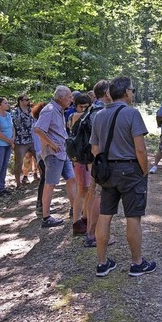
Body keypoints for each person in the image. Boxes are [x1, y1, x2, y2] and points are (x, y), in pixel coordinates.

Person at [90, 76, 156, 277]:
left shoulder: (99, 115)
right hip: (130, 170)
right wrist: (144, 170)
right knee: (133, 217)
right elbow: (141, 150)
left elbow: (94, 149)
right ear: (126, 92)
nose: (133, 93)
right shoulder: (132, 114)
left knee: (105, 215)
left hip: (107, 172)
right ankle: (137, 263)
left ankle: (102, 263)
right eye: (132, 90)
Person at [34, 86, 77, 228]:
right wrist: (52, 144)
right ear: (61, 98)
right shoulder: (50, 110)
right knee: (50, 183)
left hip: (63, 153)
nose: (71, 99)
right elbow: (38, 129)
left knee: (71, 179)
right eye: (69, 97)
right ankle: (46, 217)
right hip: (53, 154)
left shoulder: (58, 110)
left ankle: (74, 209)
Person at [83, 79, 112, 248]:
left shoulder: (92, 108)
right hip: (100, 161)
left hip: (93, 159)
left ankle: (90, 232)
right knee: (99, 196)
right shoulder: (101, 112)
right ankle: (92, 234)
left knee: (92, 194)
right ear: (107, 93)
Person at [68, 93, 92, 236]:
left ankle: (85, 217)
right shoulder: (77, 116)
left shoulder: (84, 116)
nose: (83, 109)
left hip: (85, 157)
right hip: (81, 158)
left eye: (85, 107)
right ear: (75, 106)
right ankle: (77, 222)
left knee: (88, 190)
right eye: (80, 106)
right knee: (82, 190)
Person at [11, 94, 36, 188]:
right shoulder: (15, 112)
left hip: (32, 139)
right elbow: (12, 125)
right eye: (26, 100)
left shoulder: (31, 110)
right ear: (20, 101)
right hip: (20, 141)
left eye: (29, 99)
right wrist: (12, 139)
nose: (28, 101)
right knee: (18, 162)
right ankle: (18, 183)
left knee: (39, 158)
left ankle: (42, 179)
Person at [31, 102, 48, 216]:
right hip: (42, 155)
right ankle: (41, 205)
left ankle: (42, 204)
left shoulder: (39, 124)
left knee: (45, 179)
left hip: (42, 155)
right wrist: (41, 157)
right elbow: (38, 144)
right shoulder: (37, 126)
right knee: (45, 179)